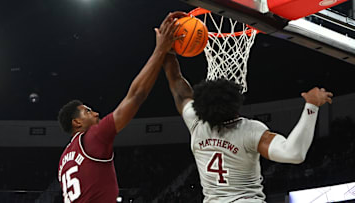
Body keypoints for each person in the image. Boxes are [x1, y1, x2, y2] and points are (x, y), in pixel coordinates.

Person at [162, 52, 333, 203]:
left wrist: (168, 51)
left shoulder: (196, 122)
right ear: (236, 104)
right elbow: (293, 153)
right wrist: (312, 106)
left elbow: (178, 87)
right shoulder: (249, 131)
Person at [57, 11, 186, 203]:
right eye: (88, 111)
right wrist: (160, 51)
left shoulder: (63, 162)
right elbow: (136, 96)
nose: (96, 113)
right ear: (77, 122)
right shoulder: (93, 137)